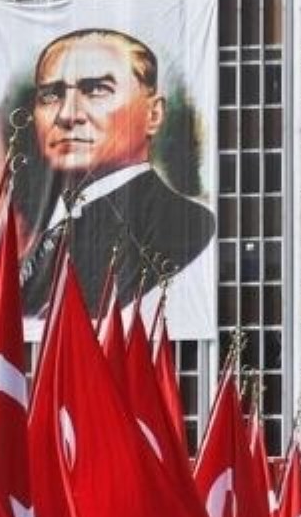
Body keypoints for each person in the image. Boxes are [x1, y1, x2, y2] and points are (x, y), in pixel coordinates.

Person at [19, 28, 215, 313]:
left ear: (154, 114)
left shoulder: (183, 224)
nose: (67, 115)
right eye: (51, 95)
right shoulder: (45, 227)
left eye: (96, 90)